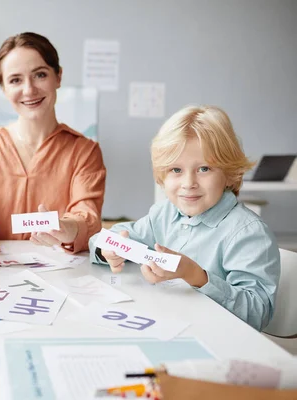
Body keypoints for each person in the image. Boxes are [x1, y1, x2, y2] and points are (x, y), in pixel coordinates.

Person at [89, 105, 280, 331]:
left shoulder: (248, 233)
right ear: (162, 176)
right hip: (167, 325)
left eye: (204, 169)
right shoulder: (164, 213)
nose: (189, 183)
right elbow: (107, 237)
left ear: (230, 174)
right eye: (176, 170)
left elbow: (257, 314)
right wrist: (110, 248)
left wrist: (197, 276)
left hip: (216, 340)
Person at [0, 32, 106, 253]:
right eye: (15, 80)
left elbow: (87, 216)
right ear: (3, 87)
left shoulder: (85, 151)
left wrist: (68, 228)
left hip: (61, 273)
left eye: (40, 75)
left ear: (58, 77)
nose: (29, 90)